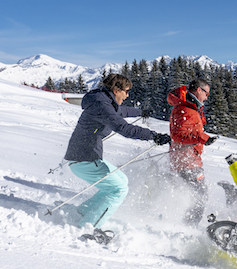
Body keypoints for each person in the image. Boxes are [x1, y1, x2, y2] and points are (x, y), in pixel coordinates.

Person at [64, 72, 171, 243]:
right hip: (84, 158)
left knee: (121, 180)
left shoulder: (103, 101)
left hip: (86, 156)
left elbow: (121, 111)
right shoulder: (101, 105)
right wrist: (154, 136)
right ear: (115, 90)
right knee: (118, 189)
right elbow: (124, 128)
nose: (127, 95)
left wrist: (141, 112)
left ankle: (83, 212)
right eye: (126, 92)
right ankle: (89, 227)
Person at [167, 77, 218, 224]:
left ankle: (185, 224)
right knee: (200, 196)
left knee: (197, 196)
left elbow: (187, 128)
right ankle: (188, 227)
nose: (207, 97)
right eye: (206, 93)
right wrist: (202, 137)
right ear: (198, 90)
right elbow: (177, 135)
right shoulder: (185, 109)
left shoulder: (189, 108)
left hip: (189, 160)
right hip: (186, 163)